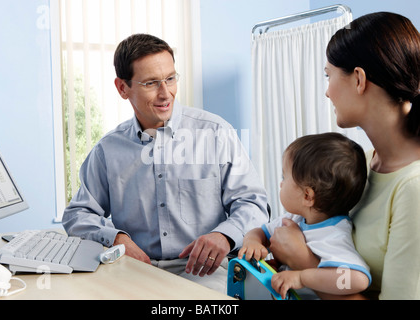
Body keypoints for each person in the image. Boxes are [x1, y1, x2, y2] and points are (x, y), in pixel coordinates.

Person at [62, 34, 269, 292]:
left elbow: (253, 203)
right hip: (134, 274)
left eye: (170, 79)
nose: (165, 93)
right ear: (122, 88)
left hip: (206, 275)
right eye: (151, 83)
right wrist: (116, 238)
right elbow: (77, 214)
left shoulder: (216, 133)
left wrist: (224, 235)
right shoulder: (108, 150)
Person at [270, 12, 420, 300]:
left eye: (329, 76)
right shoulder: (360, 164)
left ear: (359, 79)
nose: (327, 92)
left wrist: (304, 265)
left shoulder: (413, 188)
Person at [238, 132, 371, 299]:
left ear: (307, 196)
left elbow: (359, 280)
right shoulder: (294, 219)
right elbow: (259, 232)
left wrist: (303, 277)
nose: (281, 183)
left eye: (284, 177)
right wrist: (252, 242)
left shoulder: (333, 235)